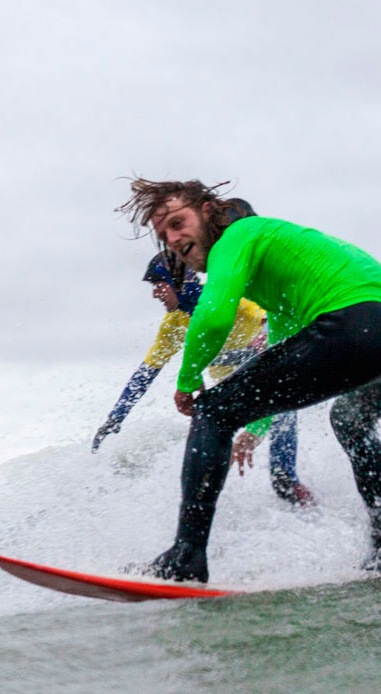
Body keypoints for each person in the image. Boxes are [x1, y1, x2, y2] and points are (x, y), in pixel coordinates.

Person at [116, 178, 381, 582]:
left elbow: (216, 314)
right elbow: (282, 353)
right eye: (163, 234)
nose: (172, 239)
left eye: (177, 222)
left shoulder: (239, 234)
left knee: (213, 411)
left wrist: (188, 381)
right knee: (349, 420)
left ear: (208, 211)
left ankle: (184, 560)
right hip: (368, 329)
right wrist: (256, 427)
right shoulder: (278, 273)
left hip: (358, 322)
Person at [94, 214, 313, 506]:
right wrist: (116, 418)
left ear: (178, 280)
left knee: (284, 424)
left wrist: (259, 338)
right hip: (235, 395)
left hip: (270, 384)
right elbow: (146, 373)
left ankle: (295, 490)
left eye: (159, 285)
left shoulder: (230, 300)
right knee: (206, 430)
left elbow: (274, 326)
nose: (156, 294)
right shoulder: (173, 324)